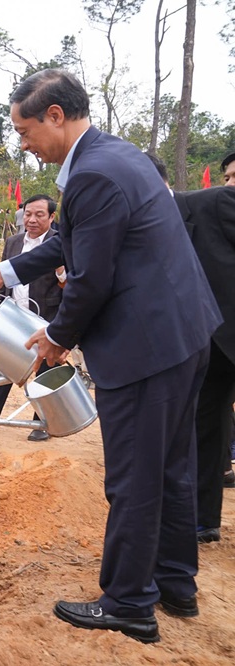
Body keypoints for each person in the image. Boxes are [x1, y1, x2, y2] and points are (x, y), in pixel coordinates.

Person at [0, 69, 220, 643]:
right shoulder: (111, 158)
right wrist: (4, 270)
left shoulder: (94, 174)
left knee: (133, 476)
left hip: (145, 348)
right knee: (172, 467)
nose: (23, 142)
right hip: (183, 335)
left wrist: (57, 336)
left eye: (25, 129)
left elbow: (91, 277)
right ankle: (175, 584)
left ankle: (129, 601)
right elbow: (71, 241)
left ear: (55, 115)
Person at [172, 184, 235, 543]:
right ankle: (204, 519)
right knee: (207, 428)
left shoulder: (214, 202)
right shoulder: (152, 228)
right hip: (207, 342)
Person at [0, 194, 62, 441]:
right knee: (1, 365)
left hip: (46, 318)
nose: (32, 220)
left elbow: (70, 286)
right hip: (13, 317)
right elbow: (3, 282)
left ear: (52, 217)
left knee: (45, 371)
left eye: (39, 215)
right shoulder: (13, 242)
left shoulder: (60, 244)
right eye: (28, 214)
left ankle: (41, 423)